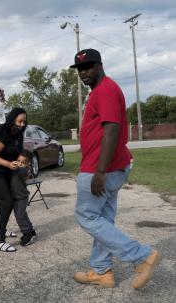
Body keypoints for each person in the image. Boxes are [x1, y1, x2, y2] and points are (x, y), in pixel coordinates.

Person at [70, 49, 162, 289]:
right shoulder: (100, 91)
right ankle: (102, 272)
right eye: (80, 69)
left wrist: (100, 171)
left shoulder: (106, 89)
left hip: (101, 168)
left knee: (86, 216)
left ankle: (143, 256)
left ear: (100, 65)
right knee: (103, 220)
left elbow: (111, 129)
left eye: (88, 66)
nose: (83, 72)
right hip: (108, 166)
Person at [0, 108, 36, 252]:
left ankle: (1, 229)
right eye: (19, 121)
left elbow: (19, 152)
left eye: (24, 121)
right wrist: (8, 164)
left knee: (6, 202)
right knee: (6, 203)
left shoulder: (18, 133)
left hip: (7, 171)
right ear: (12, 119)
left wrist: (23, 164)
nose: (22, 124)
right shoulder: (2, 131)